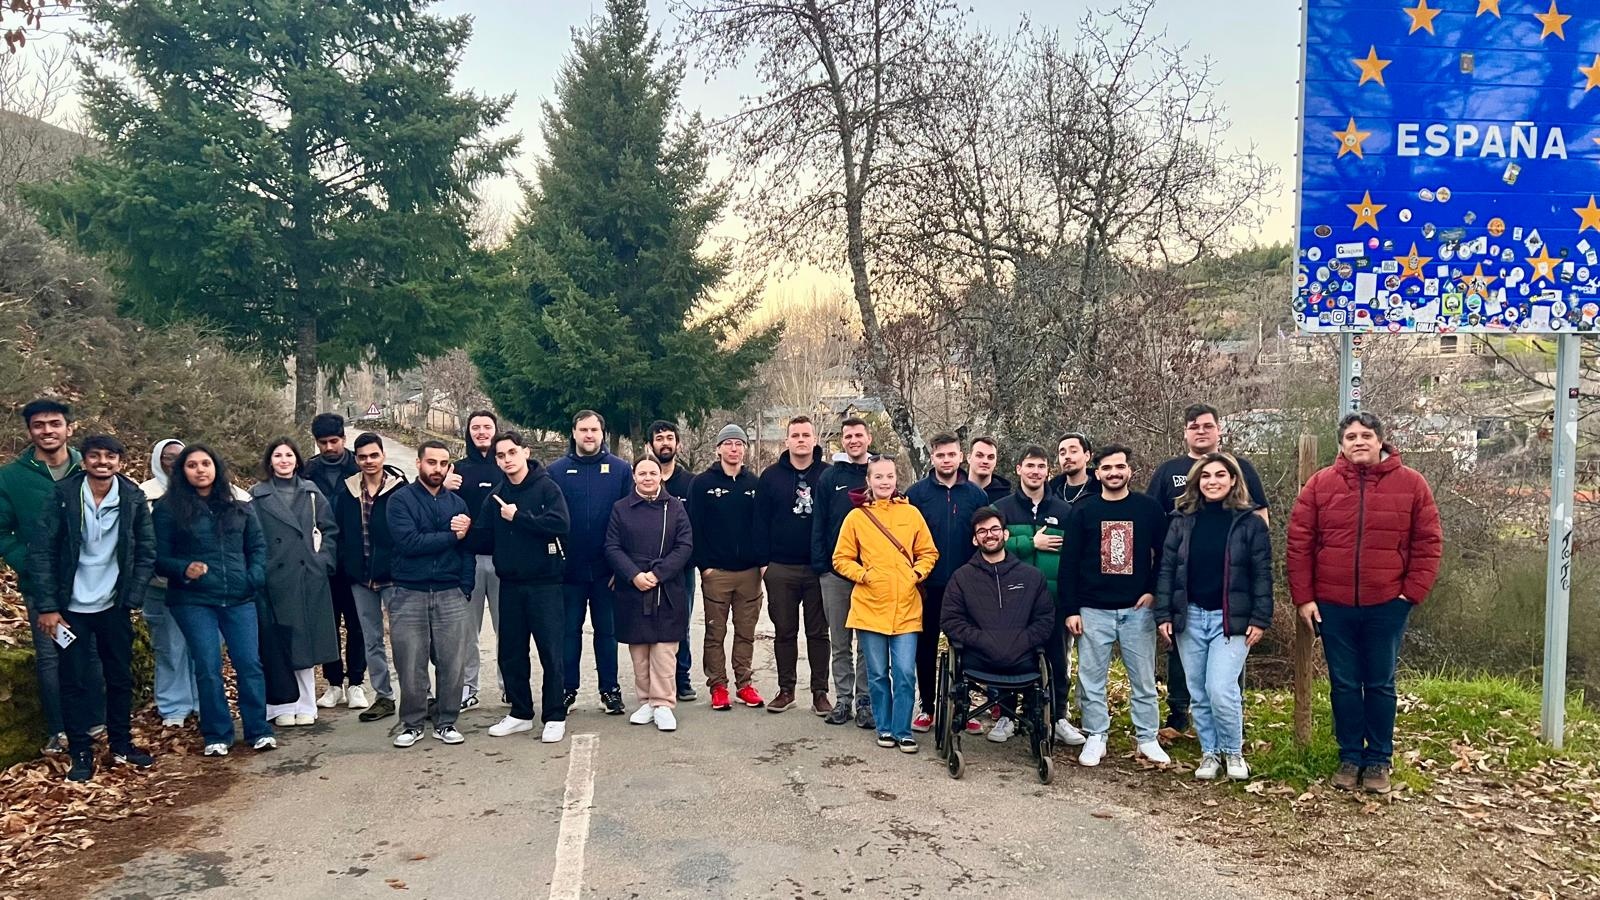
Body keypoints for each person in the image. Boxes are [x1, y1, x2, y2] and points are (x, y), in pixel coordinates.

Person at [1288, 412, 1442, 795]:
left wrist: (1410, 594)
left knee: (1379, 684)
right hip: (1332, 605)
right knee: (1343, 684)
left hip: (1386, 604)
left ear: (1380, 441)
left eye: (1366, 435)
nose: (1359, 441)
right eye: (1351, 436)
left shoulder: (1412, 484)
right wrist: (1304, 598)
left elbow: (1428, 543)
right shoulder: (1320, 485)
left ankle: (1378, 760)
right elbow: (1299, 543)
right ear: (1341, 444)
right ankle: (1350, 756)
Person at [31, 434, 156, 781]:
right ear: (83, 460)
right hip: (70, 608)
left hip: (113, 605)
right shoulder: (63, 495)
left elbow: (146, 551)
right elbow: (42, 551)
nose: (103, 462)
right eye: (95, 456)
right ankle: (80, 752)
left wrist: (131, 598)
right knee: (73, 680)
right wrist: (48, 607)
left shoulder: (132, 497)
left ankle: (121, 744)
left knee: (119, 677)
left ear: (120, 462)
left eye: (110, 456)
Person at [1146, 403, 1270, 733]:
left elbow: (1261, 521)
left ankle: (1230, 723)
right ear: (1185, 432)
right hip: (1182, 585)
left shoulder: (1241, 467)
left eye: (1207, 425)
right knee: (1181, 656)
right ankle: (1179, 714)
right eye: (1194, 426)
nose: (1200, 431)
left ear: (1218, 429)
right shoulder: (1168, 470)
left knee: (1224, 675)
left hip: (1230, 590)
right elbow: (1152, 523)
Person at [1155, 452, 1273, 781]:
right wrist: (1163, 613)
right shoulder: (1182, 520)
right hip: (1190, 617)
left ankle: (1233, 752)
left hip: (1231, 619)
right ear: (1197, 481)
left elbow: (1262, 574)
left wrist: (1260, 617)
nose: (1213, 481)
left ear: (1233, 480)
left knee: (1221, 688)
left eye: (1220, 475)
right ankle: (1210, 753)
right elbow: (1167, 569)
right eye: (1206, 476)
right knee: (1199, 691)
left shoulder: (1250, 523)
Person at [153, 444, 276, 756]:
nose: (200, 470)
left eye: (205, 463)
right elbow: (157, 557)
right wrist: (183, 568)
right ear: (182, 471)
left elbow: (258, 548)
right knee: (207, 666)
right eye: (192, 465)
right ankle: (217, 734)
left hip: (239, 597)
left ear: (216, 468)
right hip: (193, 600)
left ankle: (258, 730)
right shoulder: (168, 509)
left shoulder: (238, 505)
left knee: (249, 664)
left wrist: (253, 577)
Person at [0, 399, 104, 754]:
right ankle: (59, 730)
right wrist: (28, 563)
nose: (47, 431)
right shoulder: (11, 477)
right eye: (39, 425)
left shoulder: (88, 467)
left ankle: (97, 722)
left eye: (54, 423)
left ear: (68, 428)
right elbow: (3, 531)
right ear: (30, 431)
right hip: (41, 586)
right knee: (51, 655)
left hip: (90, 580)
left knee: (91, 652)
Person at [1060, 443, 1170, 767]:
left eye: (1120, 467)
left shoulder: (1148, 509)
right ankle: (1096, 735)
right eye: (1107, 468)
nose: (1114, 473)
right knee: (1091, 679)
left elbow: (1166, 555)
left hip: (1137, 610)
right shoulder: (1084, 511)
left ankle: (1147, 738)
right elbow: (1069, 563)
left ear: (1129, 471)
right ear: (1097, 473)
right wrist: (1071, 609)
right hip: (1093, 609)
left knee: (1143, 679)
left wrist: (1153, 591)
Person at [469, 430, 571, 744]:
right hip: (510, 584)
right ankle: (520, 713)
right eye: (500, 456)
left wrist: (519, 517)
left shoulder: (547, 488)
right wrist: (462, 529)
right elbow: (483, 538)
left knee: (551, 652)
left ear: (525, 452)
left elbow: (561, 524)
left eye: (512, 452)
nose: (507, 460)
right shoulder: (496, 495)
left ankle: (554, 715)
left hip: (545, 584)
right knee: (511, 652)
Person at [832, 455, 937, 753]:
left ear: (896, 478)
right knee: (877, 674)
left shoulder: (911, 514)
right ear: (868, 480)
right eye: (878, 476)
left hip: (906, 606)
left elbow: (928, 552)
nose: (885, 481)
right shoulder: (857, 517)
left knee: (904, 672)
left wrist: (916, 574)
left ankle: (903, 730)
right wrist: (864, 575)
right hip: (870, 606)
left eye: (889, 476)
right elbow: (840, 558)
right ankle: (884, 727)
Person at [385, 441, 476, 748]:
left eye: (443, 463)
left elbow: (467, 550)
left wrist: (465, 587)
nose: (437, 469)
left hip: (451, 592)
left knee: (452, 663)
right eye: (431, 462)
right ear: (418, 463)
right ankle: (412, 724)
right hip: (409, 592)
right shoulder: (400, 501)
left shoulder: (458, 504)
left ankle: (446, 721)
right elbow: (409, 543)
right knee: (410, 663)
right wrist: (452, 536)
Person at [995, 445, 1086, 746]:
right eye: (1030, 466)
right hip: (1011, 601)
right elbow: (990, 546)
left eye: (1041, 466)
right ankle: (1008, 715)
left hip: (1052, 601)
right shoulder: (1002, 509)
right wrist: (1029, 542)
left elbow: (1074, 560)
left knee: (1057, 660)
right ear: (1018, 469)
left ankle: (1057, 717)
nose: (1035, 472)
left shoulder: (1064, 511)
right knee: (1010, 657)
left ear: (1048, 471)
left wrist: (1072, 605)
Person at [941, 507, 1055, 744]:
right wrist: (983, 641)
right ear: (975, 539)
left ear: (1005, 534)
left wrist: (1021, 641)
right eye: (982, 531)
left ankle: (1022, 724)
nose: (989, 535)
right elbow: (951, 620)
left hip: (1023, 658)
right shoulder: (961, 577)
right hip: (977, 658)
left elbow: (1044, 620)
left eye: (994, 529)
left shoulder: (1032, 577)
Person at [250, 439, 340, 727]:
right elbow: (251, 536)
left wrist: (322, 561)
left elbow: (329, 530)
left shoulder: (311, 493)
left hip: (308, 577)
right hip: (274, 579)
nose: (284, 460)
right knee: (277, 644)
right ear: (270, 461)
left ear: (297, 460)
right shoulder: (257, 495)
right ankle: (280, 706)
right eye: (278, 455)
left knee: (305, 644)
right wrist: (260, 570)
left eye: (289, 455)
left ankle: (306, 704)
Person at [549, 410, 633, 715]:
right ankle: (566, 689)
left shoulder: (621, 470)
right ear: (573, 432)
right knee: (568, 633)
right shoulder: (555, 471)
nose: (588, 435)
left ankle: (609, 690)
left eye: (594, 430)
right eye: (583, 429)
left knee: (607, 633)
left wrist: (621, 567)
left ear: (602, 433)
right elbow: (549, 520)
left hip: (606, 571)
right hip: (568, 571)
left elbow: (629, 520)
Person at [905, 433, 988, 734]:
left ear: (961, 457)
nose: (946, 460)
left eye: (951, 454)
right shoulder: (917, 494)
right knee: (925, 647)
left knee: (965, 647)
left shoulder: (976, 495)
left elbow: (983, 539)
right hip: (928, 586)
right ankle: (927, 707)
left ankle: (964, 709)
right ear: (932, 458)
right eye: (940, 455)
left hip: (966, 586)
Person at [606, 456, 694, 733]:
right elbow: (612, 546)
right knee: (640, 651)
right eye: (642, 473)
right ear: (634, 476)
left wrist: (658, 574)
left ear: (661, 476)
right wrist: (634, 575)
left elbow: (684, 545)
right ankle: (646, 701)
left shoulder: (675, 507)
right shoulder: (621, 508)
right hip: (633, 587)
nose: (647, 478)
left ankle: (663, 703)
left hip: (666, 587)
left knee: (664, 650)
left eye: (652, 473)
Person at [754, 416, 831, 715]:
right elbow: (759, 522)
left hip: (817, 568)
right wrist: (764, 565)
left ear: (814, 439)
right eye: (795, 435)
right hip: (780, 568)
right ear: (786, 441)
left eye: (806, 435)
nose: (801, 440)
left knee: (818, 633)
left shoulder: (827, 475)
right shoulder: (770, 476)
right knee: (784, 631)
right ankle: (786, 690)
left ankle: (820, 693)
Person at [688, 424, 765, 711]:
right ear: (718, 448)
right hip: (716, 573)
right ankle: (718, 686)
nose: (734, 449)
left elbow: (762, 526)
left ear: (745, 449)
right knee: (715, 633)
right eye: (728, 443)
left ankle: (744, 684)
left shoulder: (754, 484)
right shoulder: (702, 484)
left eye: (739, 444)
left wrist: (761, 562)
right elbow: (694, 527)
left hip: (749, 573)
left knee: (745, 632)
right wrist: (704, 566)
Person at [333, 432, 406, 723]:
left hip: (394, 577)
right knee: (371, 639)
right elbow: (339, 533)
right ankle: (383, 696)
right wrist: (347, 564)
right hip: (360, 578)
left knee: (405, 639)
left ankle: (418, 695)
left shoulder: (400, 490)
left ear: (383, 456)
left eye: (374, 455)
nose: (369, 461)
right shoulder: (347, 492)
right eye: (362, 457)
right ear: (356, 460)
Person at [301, 412, 365, 716]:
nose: (329, 447)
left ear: (343, 438)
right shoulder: (307, 472)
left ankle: (357, 682)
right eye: (322, 442)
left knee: (357, 623)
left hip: (355, 557)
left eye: (334, 441)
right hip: (321, 559)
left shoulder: (358, 467)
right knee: (328, 623)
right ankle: (334, 683)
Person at [812, 417, 874, 728]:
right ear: (842, 441)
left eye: (858, 435)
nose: (853, 440)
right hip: (835, 574)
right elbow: (819, 522)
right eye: (848, 436)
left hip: (871, 574)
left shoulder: (879, 472)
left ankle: (865, 701)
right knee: (840, 642)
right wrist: (822, 566)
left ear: (868, 438)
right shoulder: (830, 477)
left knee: (867, 643)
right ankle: (843, 700)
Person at [138, 438, 199, 728]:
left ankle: (202, 701)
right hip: (159, 585)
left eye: (179, 457)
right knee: (169, 646)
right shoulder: (145, 495)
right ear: (157, 460)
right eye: (168, 457)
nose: (173, 463)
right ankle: (174, 706)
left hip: (199, 585)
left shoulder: (201, 489)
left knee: (201, 645)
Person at [446, 410, 504, 710]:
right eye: (476, 427)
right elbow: (434, 504)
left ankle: (509, 685)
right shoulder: (457, 470)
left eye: (487, 427)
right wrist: (443, 486)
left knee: (507, 628)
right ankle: (469, 687)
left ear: (495, 430)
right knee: (468, 631)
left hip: (503, 560)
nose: (482, 432)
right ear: (468, 432)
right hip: (467, 561)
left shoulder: (506, 466)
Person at [649, 420, 697, 702]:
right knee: (648, 624)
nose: (665, 443)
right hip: (647, 567)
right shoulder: (642, 480)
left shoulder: (690, 483)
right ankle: (654, 680)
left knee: (681, 623)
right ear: (650, 445)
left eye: (670, 437)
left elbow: (697, 527)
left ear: (678, 444)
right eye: (659, 438)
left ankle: (682, 677)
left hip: (682, 568)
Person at [1046, 433, 1100, 505]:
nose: (1067, 456)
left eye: (1073, 451)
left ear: (1087, 456)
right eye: (1062, 453)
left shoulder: (1101, 488)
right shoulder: (1050, 491)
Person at [966, 437, 1011, 503]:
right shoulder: (954, 492)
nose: (985, 461)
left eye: (990, 457)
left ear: (996, 461)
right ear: (969, 458)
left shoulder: (1006, 500)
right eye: (979, 455)